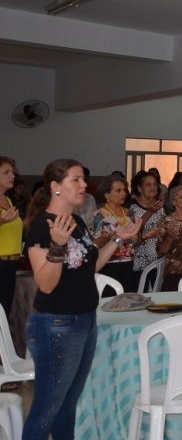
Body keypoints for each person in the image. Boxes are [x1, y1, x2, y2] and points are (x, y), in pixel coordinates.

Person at [23, 159, 138, 440]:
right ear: (55, 186)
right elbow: (46, 284)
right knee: (47, 407)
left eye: (83, 179)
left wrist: (118, 238)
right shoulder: (42, 227)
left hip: (85, 319)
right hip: (56, 323)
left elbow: (92, 265)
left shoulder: (76, 222)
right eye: (75, 179)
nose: (84, 185)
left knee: (67, 405)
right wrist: (57, 247)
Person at [89, 174, 139, 293]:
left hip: (128, 265)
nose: (124, 194)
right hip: (108, 266)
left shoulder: (130, 213)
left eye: (124, 190)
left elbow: (135, 241)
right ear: (107, 195)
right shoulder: (99, 215)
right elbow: (92, 244)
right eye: (118, 191)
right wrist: (105, 239)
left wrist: (142, 236)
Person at [129, 170, 165, 292]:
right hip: (139, 261)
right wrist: (150, 212)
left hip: (158, 260)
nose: (152, 187)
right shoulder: (131, 208)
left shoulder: (161, 206)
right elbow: (132, 233)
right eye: (148, 185)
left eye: (155, 184)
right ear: (139, 188)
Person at [0, 157, 22, 328]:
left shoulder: (7, 200)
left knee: (4, 311)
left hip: (11, 263)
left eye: (12, 172)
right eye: (6, 172)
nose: (12, 175)